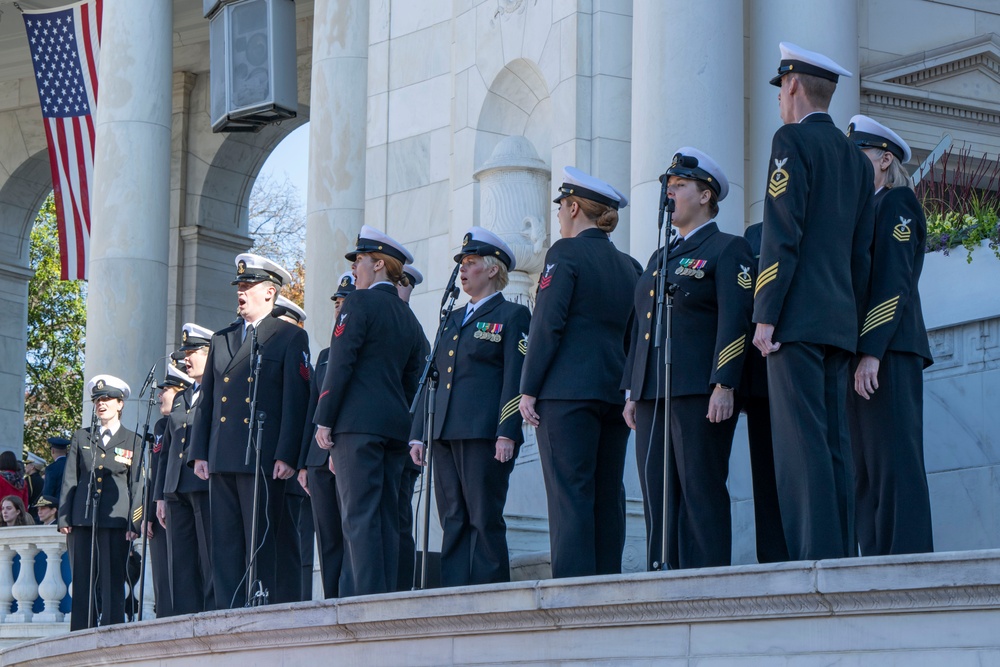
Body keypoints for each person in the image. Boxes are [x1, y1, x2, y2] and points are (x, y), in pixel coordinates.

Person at [752, 42, 875, 561]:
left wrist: (765, 313)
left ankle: (811, 560)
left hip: (795, 322)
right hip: (839, 323)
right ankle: (840, 554)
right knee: (833, 446)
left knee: (800, 446)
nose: (781, 98)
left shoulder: (790, 142)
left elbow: (783, 233)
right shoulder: (857, 160)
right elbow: (861, 255)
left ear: (793, 85)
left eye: (781, 87)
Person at [622, 148, 754, 570]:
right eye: (667, 186)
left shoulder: (727, 248)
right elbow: (640, 326)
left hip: (699, 389)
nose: (669, 193)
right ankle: (663, 574)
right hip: (652, 391)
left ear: (706, 195)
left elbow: (737, 320)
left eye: (678, 186)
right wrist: (632, 388)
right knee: (656, 490)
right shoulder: (660, 257)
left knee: (700, 487)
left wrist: (725, 382)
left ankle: (707, 579)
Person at [519, 167, 642, 579]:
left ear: (574, 207)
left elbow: (547, 324)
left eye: (560, 206)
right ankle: (605, 585)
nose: (557, 215)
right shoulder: (630, 265)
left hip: (566, 393)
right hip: (612, 392)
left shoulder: (564, 254)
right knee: (608, 494)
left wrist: (528, 388)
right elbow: (633, 334)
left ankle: (572, 596)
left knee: (570, 494)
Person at [409, 228, 530, 586]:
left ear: (493, 270)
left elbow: (515, 378)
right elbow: (431, 377)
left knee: (483, 516)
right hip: (446, 433)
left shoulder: (512, 315)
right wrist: (419, 435)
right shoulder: (452, 317)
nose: (463, 270)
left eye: (471, 263)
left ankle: (490, 592)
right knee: (453, 517)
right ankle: (454, 592)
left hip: (484, 434)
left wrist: (507, 432)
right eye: (462, 263)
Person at [189, 253, 311, 609]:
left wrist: (288, 454)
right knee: (225, 542)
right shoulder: (222, 338)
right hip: (223, 454)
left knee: (262, 538)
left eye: (248, 287)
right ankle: (227, 610)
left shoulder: (287, 336)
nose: (240, 293)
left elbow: (295, 400)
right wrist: (200, 452)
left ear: (270, 292)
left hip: (263, 455)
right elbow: (208, 401)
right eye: (239, 287)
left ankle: (264, 606)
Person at [313, 225, 427, 596]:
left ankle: (363, 604)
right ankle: (386, 598)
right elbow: (415, 377)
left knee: (359, 515)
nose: (355, 270)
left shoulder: (358, 303)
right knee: (386, 518)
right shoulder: (408, 316)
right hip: (393, 427)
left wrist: (325, 418)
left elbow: (341, 364)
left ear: (378, 264)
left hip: (357, 427)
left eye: (359, 261)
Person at [846, 114, 935, 556]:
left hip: (890, 351)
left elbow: (894, 282)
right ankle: (876, 565)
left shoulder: (897, 203)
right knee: (866, 469)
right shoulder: (865, 210)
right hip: (866, 352)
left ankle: (907, 565)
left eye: (858, 154)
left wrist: (871, 352)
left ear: (884, 160)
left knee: (895, 464)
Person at [59, 375, 143, 631]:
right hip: (82, 519)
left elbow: (137, 484)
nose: (100, 404)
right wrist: (64, 518)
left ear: (120, 404)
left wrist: (134, 522)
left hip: (116, 521)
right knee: (83, 580)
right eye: (97, 400)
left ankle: (112, 633)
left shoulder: (133, 440)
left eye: (106, 399)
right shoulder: (82, 437)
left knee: (112, 580)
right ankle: (80, 635)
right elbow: (70, 479)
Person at [298, 271, 355, 598]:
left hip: (344, 452)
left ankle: (348, 599)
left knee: (350, 533)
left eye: (344, 301)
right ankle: (332, 598)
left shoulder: (357, 350)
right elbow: (313, 412)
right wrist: (305, 463)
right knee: (328, 537)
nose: (338, 307)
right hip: (318, 461)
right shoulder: (324, 355)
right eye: (336, 302)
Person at [153, 323, 215, 615]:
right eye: (186, 352)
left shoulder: (219, 391)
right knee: (181, 561)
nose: (186, 359)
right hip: (176, 488)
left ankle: (208, 616)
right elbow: (165, 452)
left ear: (209, 353)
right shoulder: (182, 397)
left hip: (203, 485)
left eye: (192, 352)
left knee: (208, 557)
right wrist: (160, 496)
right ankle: (182, 619)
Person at [739, 221, 788, 564]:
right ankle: (772, 559)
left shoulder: (820, 217)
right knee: (766, 477)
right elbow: (743, 305)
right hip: (760, 380)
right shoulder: (754, 235)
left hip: (807, 365)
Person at [146, 364, 192, 618]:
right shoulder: (160, 427)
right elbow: (156, 470)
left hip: (187, 497)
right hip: (167, 502)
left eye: (167, 390)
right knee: (166, 574)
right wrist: (150, 510)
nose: (161, 395)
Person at [396, 262, 429, 591]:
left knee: (398, 519)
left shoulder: (411, 329)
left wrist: (414, 438)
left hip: (401, 441)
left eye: (400, 283)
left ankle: (400, 587)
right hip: (388, 441)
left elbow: (418, 391)